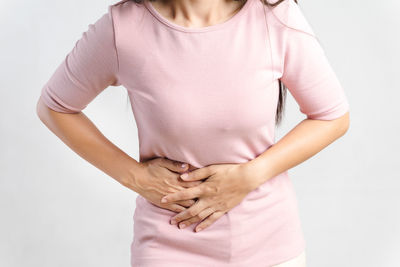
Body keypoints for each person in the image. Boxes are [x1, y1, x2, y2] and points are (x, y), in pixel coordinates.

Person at [36, 0, 350, 266]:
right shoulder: (124, 29)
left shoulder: (273, 17)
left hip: (269, 244)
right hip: (166, 244)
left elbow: (333, 116)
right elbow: (54, 107)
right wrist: (135, 176)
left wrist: (251, 176)